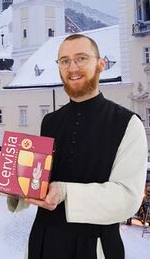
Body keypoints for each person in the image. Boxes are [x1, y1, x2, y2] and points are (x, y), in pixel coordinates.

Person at [8, 34, 148, 259]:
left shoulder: (127, 123)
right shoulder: (50, 121)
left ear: (100, 64)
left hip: (95, 246)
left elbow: (127, 198)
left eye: (81, 58)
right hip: (43, 242)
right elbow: (39, 180)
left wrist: (65, 192)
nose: (72, 67)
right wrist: (15, 184)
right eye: (64, 61)